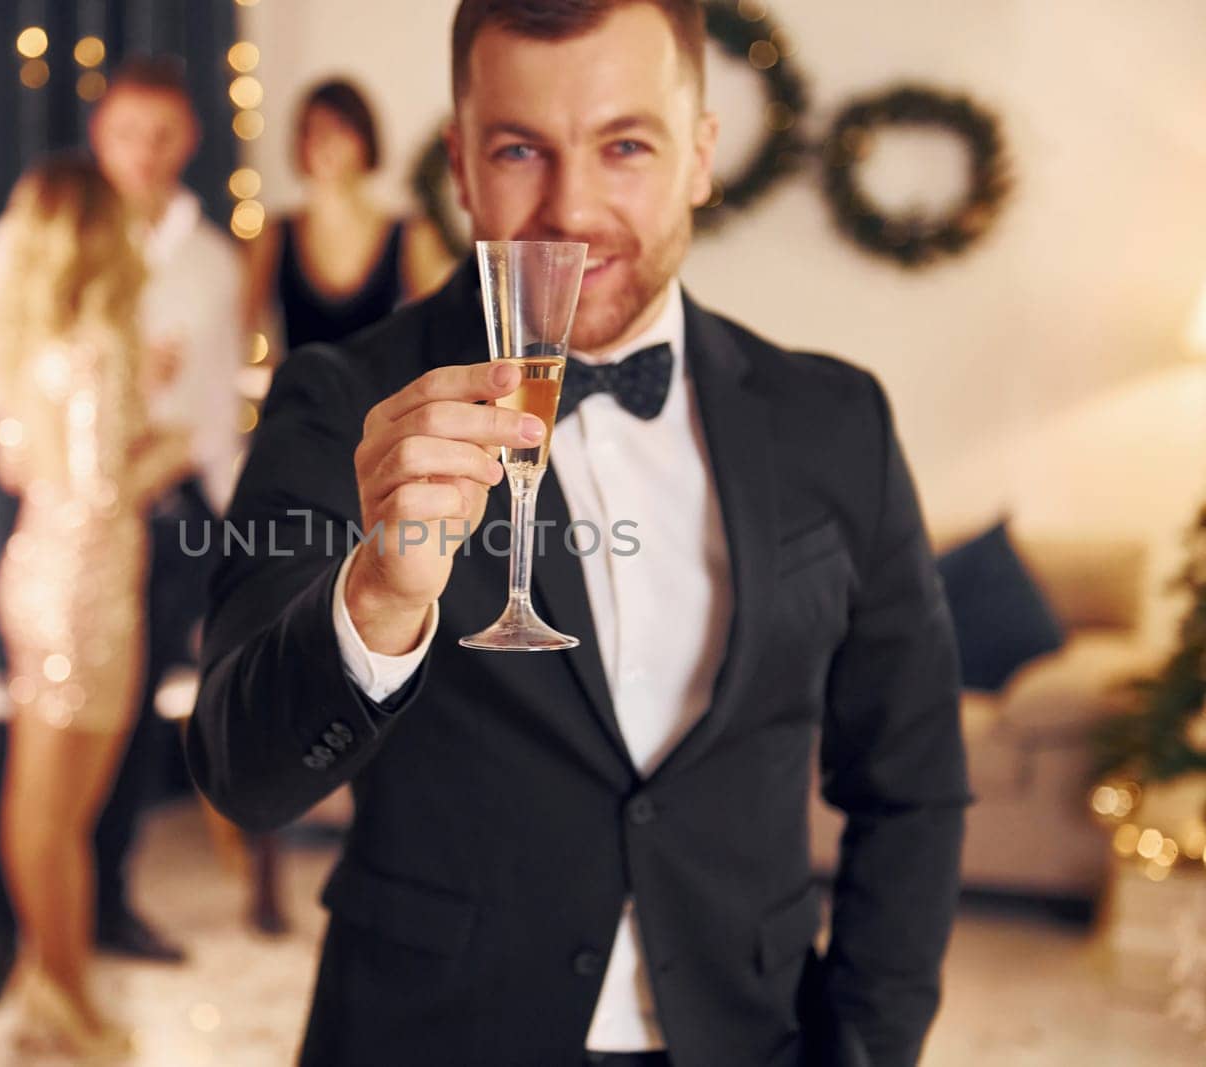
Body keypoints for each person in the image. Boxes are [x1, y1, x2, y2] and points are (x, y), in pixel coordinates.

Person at [186, 2, 971, 1065]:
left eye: (626, 145)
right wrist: (376, 597)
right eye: (519, 149)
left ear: (700, 154)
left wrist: (863, 1049)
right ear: (460, 163)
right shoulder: (340, 402)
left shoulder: (837, 422)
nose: (571, 206)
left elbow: (909, 782)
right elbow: (241, 771)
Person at [0, 56, 245, 1009]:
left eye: (163, 135)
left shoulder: (212, 266)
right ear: (101, 132)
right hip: (72, 537)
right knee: (43, 760)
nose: (143, 153)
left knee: (108, 760)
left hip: (143, 532)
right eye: (127, 132)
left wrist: (143, 415)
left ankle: (92, 918)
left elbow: (209, 419)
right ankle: (20, 944)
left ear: (189, 140)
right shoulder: (35, 231)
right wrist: (84, 411)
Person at [0, 152, 189, 1056]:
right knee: (62, 814)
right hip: (88, 591)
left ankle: (47, 977)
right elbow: (106, 489)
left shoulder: (34, 343)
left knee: (37, 803)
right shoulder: (100, 347)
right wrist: (175, 447)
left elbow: (18, 462)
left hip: (37, 571)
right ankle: (65, 992)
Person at [246, 77, 454, 356]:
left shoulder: (411, 236)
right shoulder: (272, 236)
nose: (324, 142)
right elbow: (241, 332)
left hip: (384, 396)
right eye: (311, 130)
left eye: (339, 128)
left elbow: (438, 335)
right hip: (299, 395)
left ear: (365, 137)